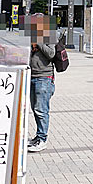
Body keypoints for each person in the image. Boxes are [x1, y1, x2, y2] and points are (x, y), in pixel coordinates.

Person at [29, 17, 56, 152]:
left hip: (44, 78)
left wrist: (38, 42)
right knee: (35, 108)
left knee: (41, 110)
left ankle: (42, 139)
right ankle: (38, 136)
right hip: (31, 76)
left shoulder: (49, 35)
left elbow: (51, 53)